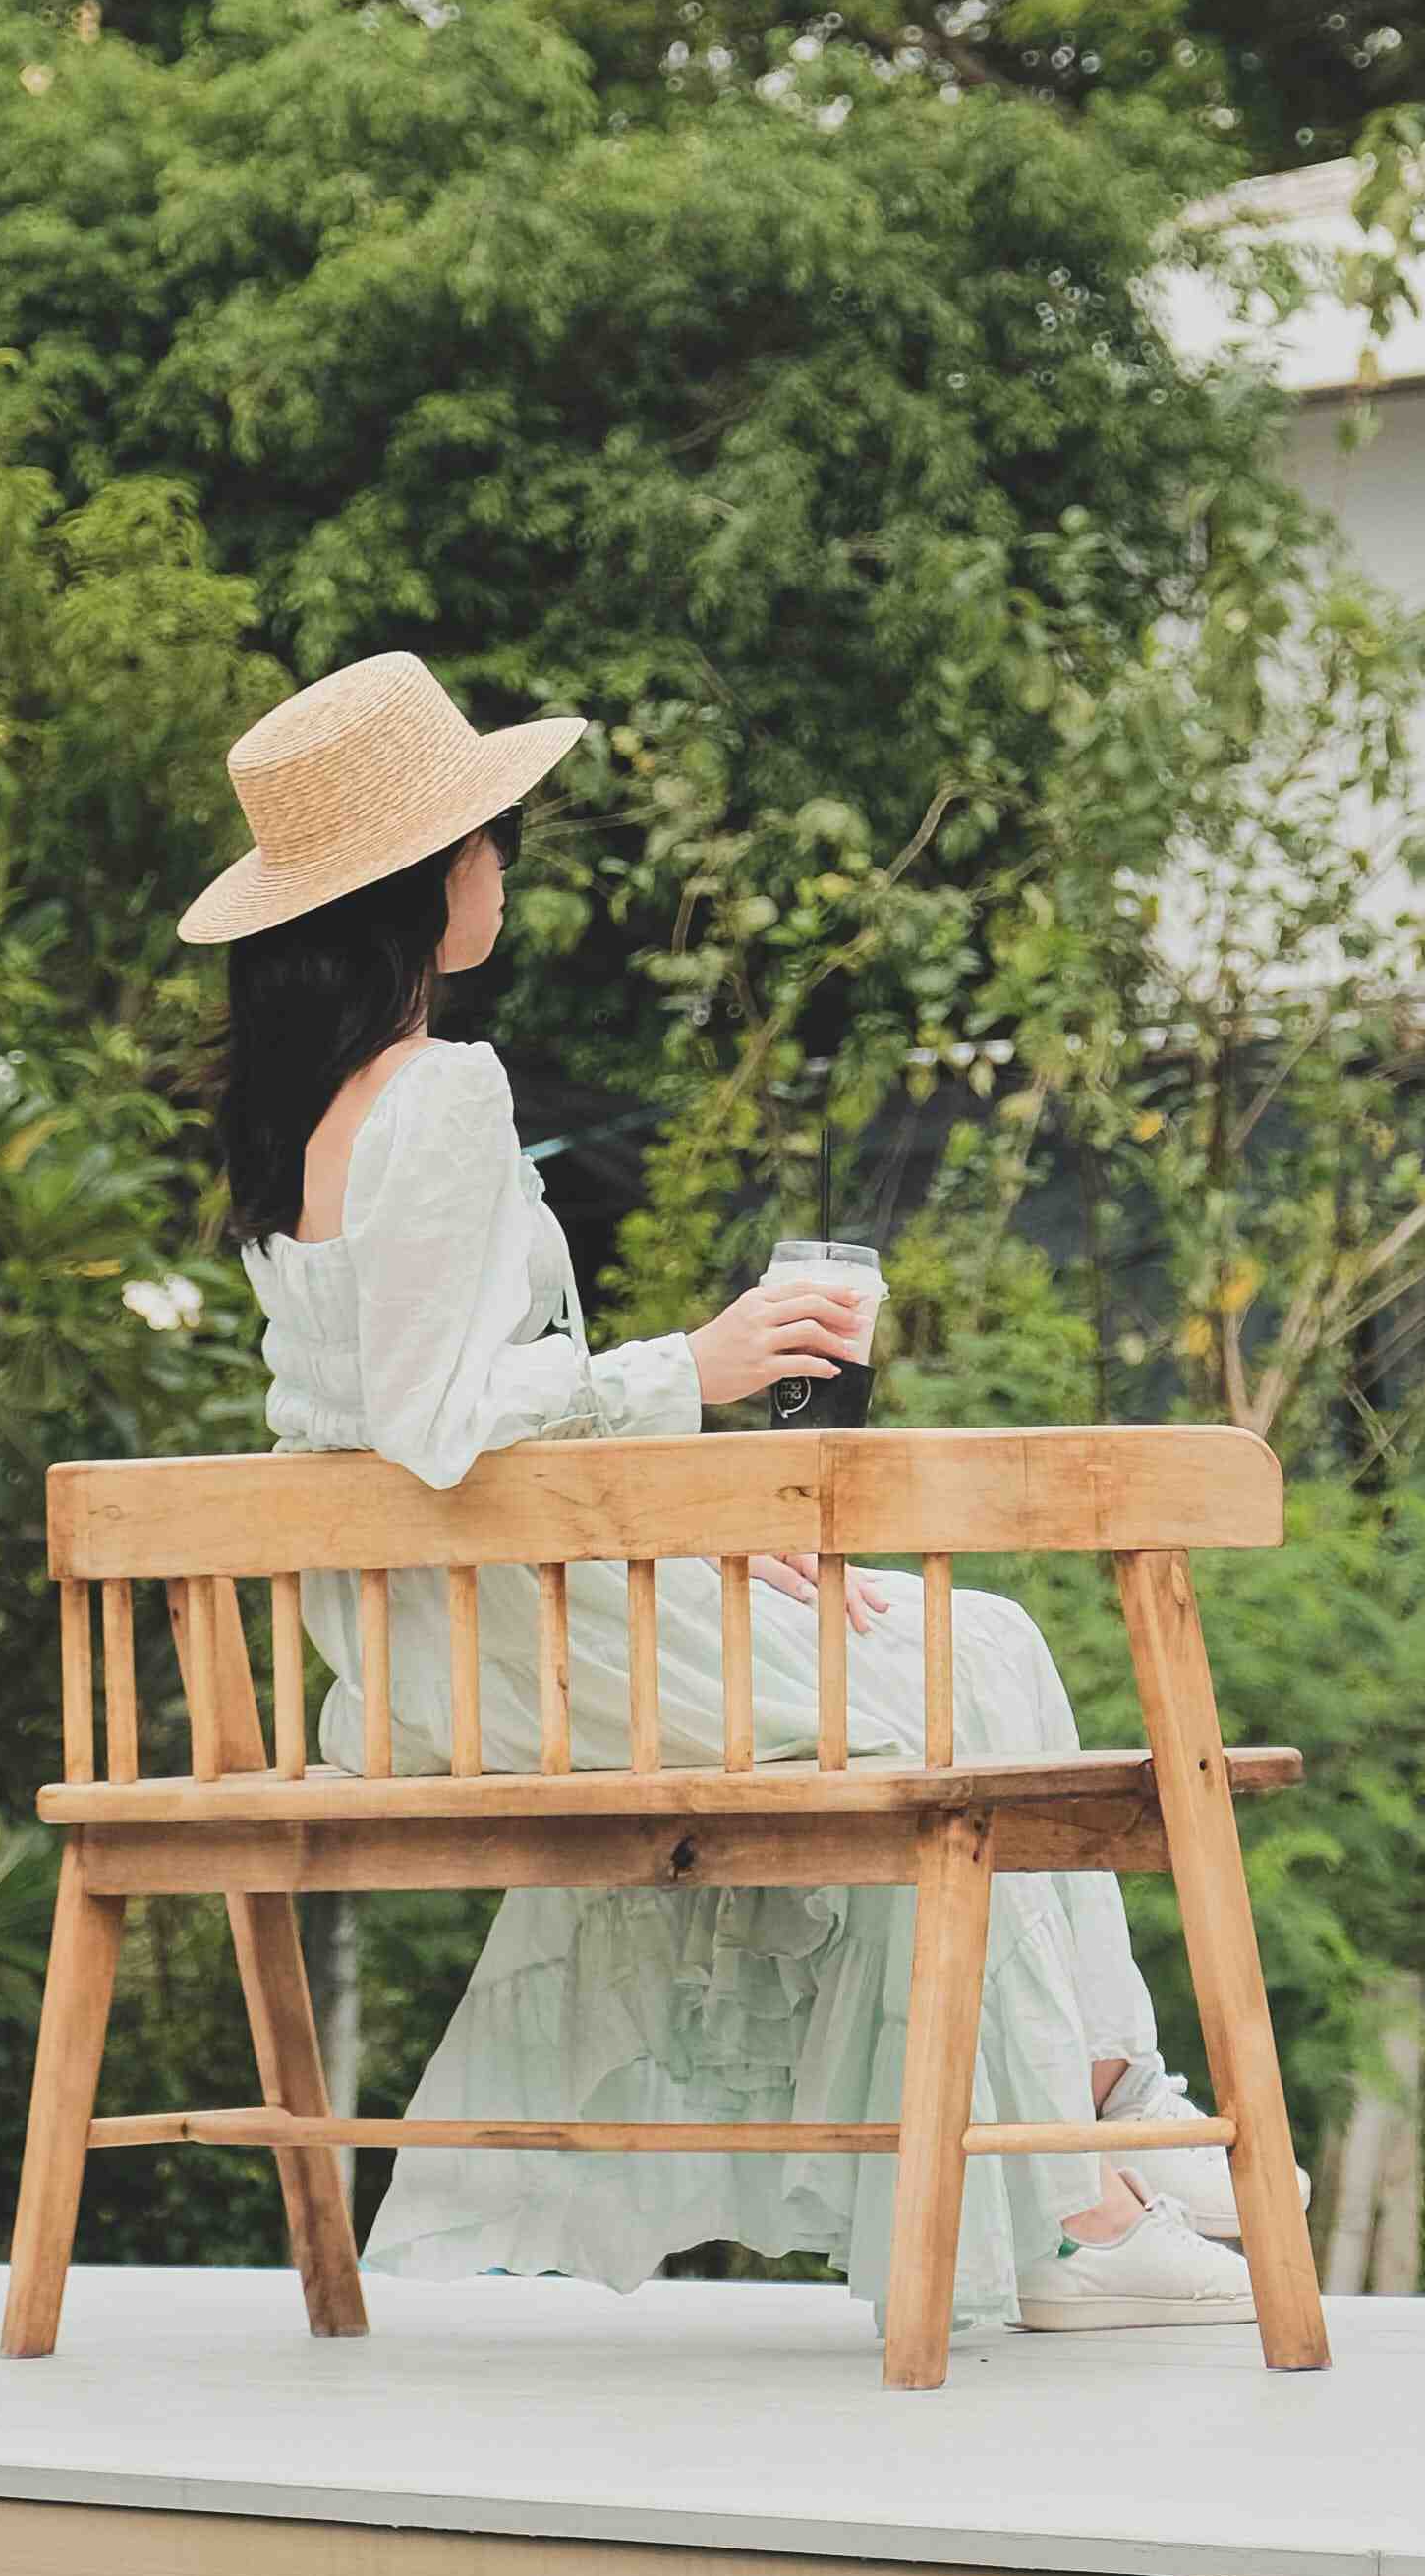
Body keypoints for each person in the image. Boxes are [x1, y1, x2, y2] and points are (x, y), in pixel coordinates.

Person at [181, 651, 1255, 2336]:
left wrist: (702, 1538)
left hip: (432, 1635)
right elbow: (440, 1422)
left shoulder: (307, 1119)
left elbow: (409, 1438)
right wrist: (709, 1356)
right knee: (962, 1677)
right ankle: (1078, 2197)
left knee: (974, 1641)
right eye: (485, 838)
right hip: (502, 1653)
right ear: (421, 884)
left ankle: (1096, 2127)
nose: (501, 867)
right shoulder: (446, 1095)